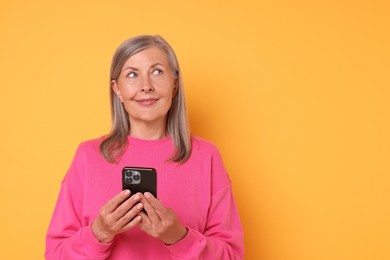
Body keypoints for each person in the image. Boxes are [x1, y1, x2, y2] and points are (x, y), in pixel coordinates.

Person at [45, 35, 244, 259]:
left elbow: (232, 256)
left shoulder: (206, 156)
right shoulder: (88, 156)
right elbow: (55, 255)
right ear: (117, 89)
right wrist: (99, 232)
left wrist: (179, 237)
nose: (146, 86)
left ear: (175, 84)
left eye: (157, 71)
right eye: (132, 75)